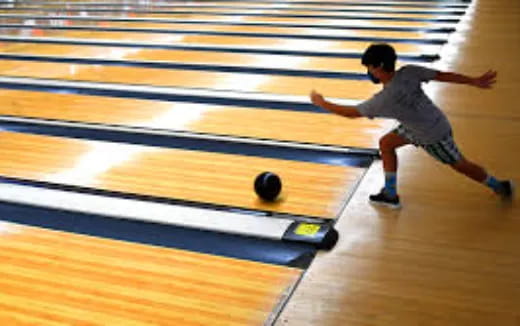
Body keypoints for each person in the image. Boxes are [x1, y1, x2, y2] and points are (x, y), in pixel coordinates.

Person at [310, 43, 513, 208]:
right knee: (386, 144)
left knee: (459, 164)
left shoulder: (385, 99)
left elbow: (351, 113)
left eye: (369, 68)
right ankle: (390, 194)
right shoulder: (409, 72)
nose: (368, 72)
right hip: (420, 124)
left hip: (433, 135)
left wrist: (322, 103)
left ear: (379, 68)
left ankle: (499, 185)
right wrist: (473, 81)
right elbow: (441, 75)